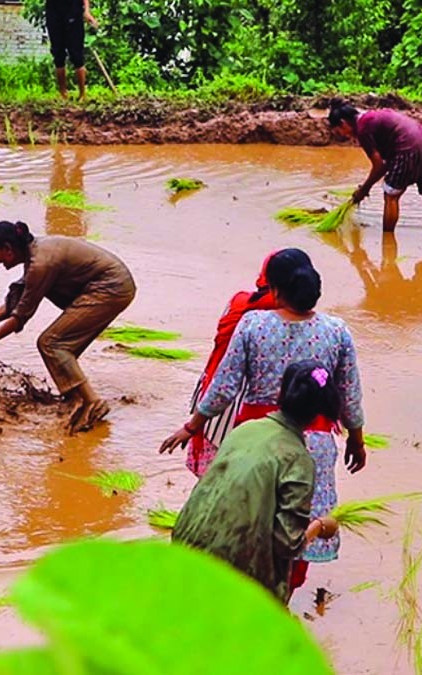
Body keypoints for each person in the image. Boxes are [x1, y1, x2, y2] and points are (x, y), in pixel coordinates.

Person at [160, 248, 365, 592]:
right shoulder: (337, 331)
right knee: (298, 524)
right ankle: (282, 593)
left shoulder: (253, 324)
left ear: (275, 290)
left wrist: (192, 425)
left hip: (255, 438)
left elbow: (224, 385)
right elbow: (350, 394)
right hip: (312, 445)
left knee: (247, 515)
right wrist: (356, 440)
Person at [173, 360, 342, 603]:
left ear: (281, 393)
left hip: (186, 543)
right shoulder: (298, 460)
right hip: (228, 569)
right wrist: (320, 526)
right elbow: (288, 545)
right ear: (320, 413)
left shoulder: (246, 429)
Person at [0, 220, 136, 433]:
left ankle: (93, 402)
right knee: (63, 347)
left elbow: (19, 318)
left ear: (8, 249)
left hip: (111, 288)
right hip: (108, 285)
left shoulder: (41, 264)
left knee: (51, 343)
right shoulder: (34, 256)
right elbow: (14, 305)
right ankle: (76, 399)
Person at [185, 252, 278, 477]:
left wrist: (192, 425)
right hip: (249, 410)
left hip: (212, 398)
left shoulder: (238, 301)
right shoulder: (287, 316)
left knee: (213, 482)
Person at [327, 103, 422, 233]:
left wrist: (364, 189)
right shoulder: (371, 117)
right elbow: (386, 162)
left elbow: (379, 166)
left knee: (391, 196)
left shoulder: (363, 129)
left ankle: (388, 241)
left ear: (343, 123)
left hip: (409, 147)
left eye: (339, 131)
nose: (343, 135)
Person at [45, 0, 99, 100]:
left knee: (77, 55)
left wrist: (87, 12)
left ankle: (82, 94)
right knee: (58, 55)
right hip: (54, 15)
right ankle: (63, 94)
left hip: (73, 13)